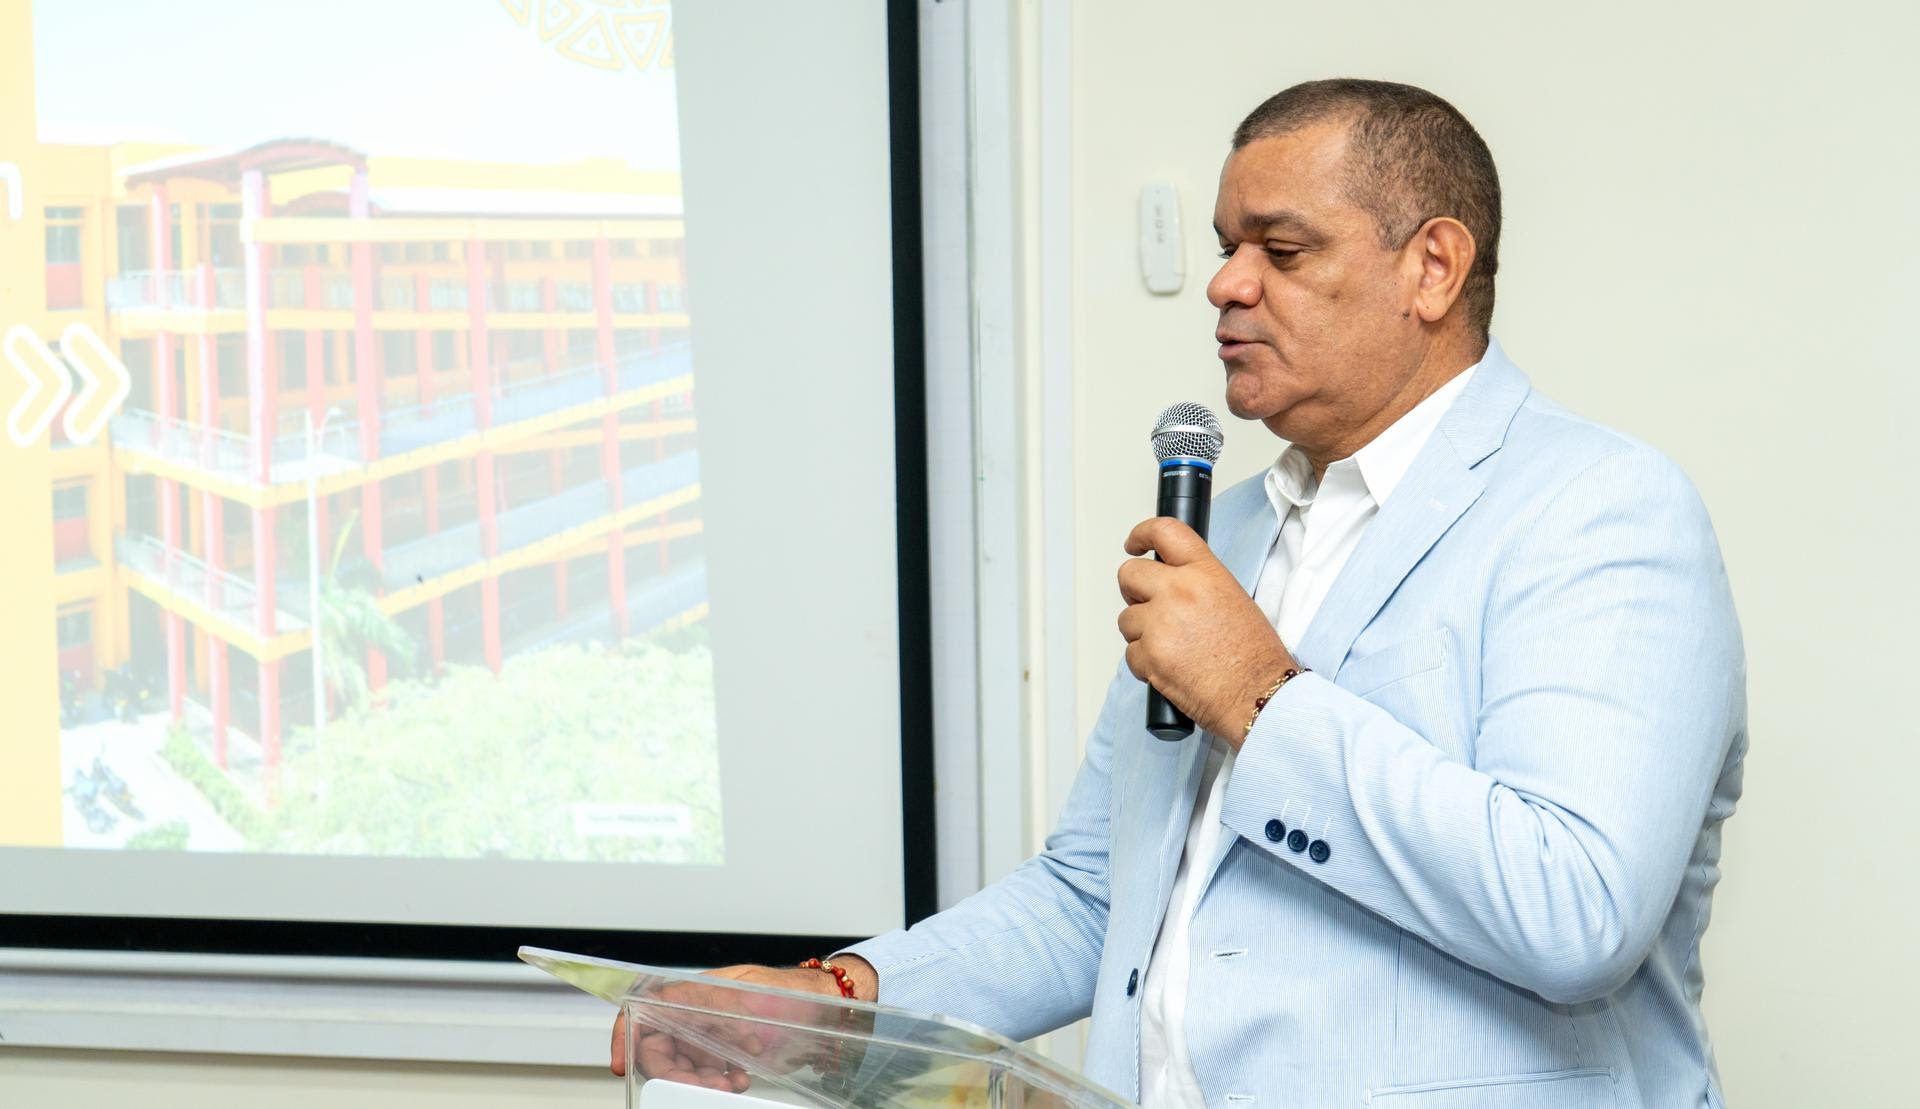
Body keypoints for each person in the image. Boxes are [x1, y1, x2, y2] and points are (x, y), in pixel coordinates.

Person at [613, 78, 1746, 1109]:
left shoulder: (1598, 507)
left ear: (1433, 268)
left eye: (1283, 249)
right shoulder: (1231, 529)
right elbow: (1095, 892)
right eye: (1224, 244)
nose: (1225, 283)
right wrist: (847, 991)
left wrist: (1260, 690)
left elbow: (1578, 908)